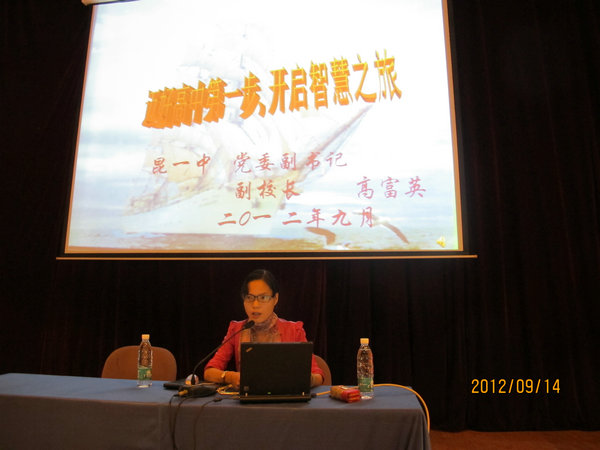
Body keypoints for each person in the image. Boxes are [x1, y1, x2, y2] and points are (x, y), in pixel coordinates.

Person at [203, 269, 325, 389]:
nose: (255, 305)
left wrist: (304, 379)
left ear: (275, 299)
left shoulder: (294, 330)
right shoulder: (237, 329)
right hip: (248, 398)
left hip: (285, 398)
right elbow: (209, 372)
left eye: (263, 298)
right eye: (249, 297)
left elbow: (318, 375)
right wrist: (229, 376)